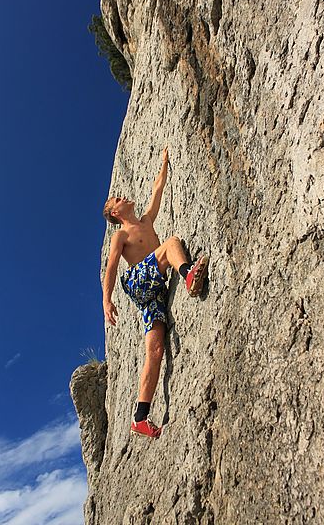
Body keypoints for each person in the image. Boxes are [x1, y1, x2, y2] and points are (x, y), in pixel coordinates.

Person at [102, 147, 208, 438]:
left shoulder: (146, 221)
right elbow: (111, 267)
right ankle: (187, 275)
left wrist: (164, 162)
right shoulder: (121, 235)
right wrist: (106, 300)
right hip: (138, 280)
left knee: (156, 349)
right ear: (114, 213)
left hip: (154, 289)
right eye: (117, 200)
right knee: (172, 242)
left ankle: (140, 416)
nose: (121, 197)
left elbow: (157, 189)